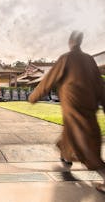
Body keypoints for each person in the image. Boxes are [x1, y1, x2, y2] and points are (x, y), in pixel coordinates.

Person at [28, 31, 105, 193]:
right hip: (89, 105)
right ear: (80, 42)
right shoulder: (90, 60)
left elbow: (49, 80)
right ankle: (66, 154)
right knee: (82, 135)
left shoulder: (66, 58)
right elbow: (100, 85)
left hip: (73, 105)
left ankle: (101, 172)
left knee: (85, 143)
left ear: (71, 42)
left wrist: (34, 96)